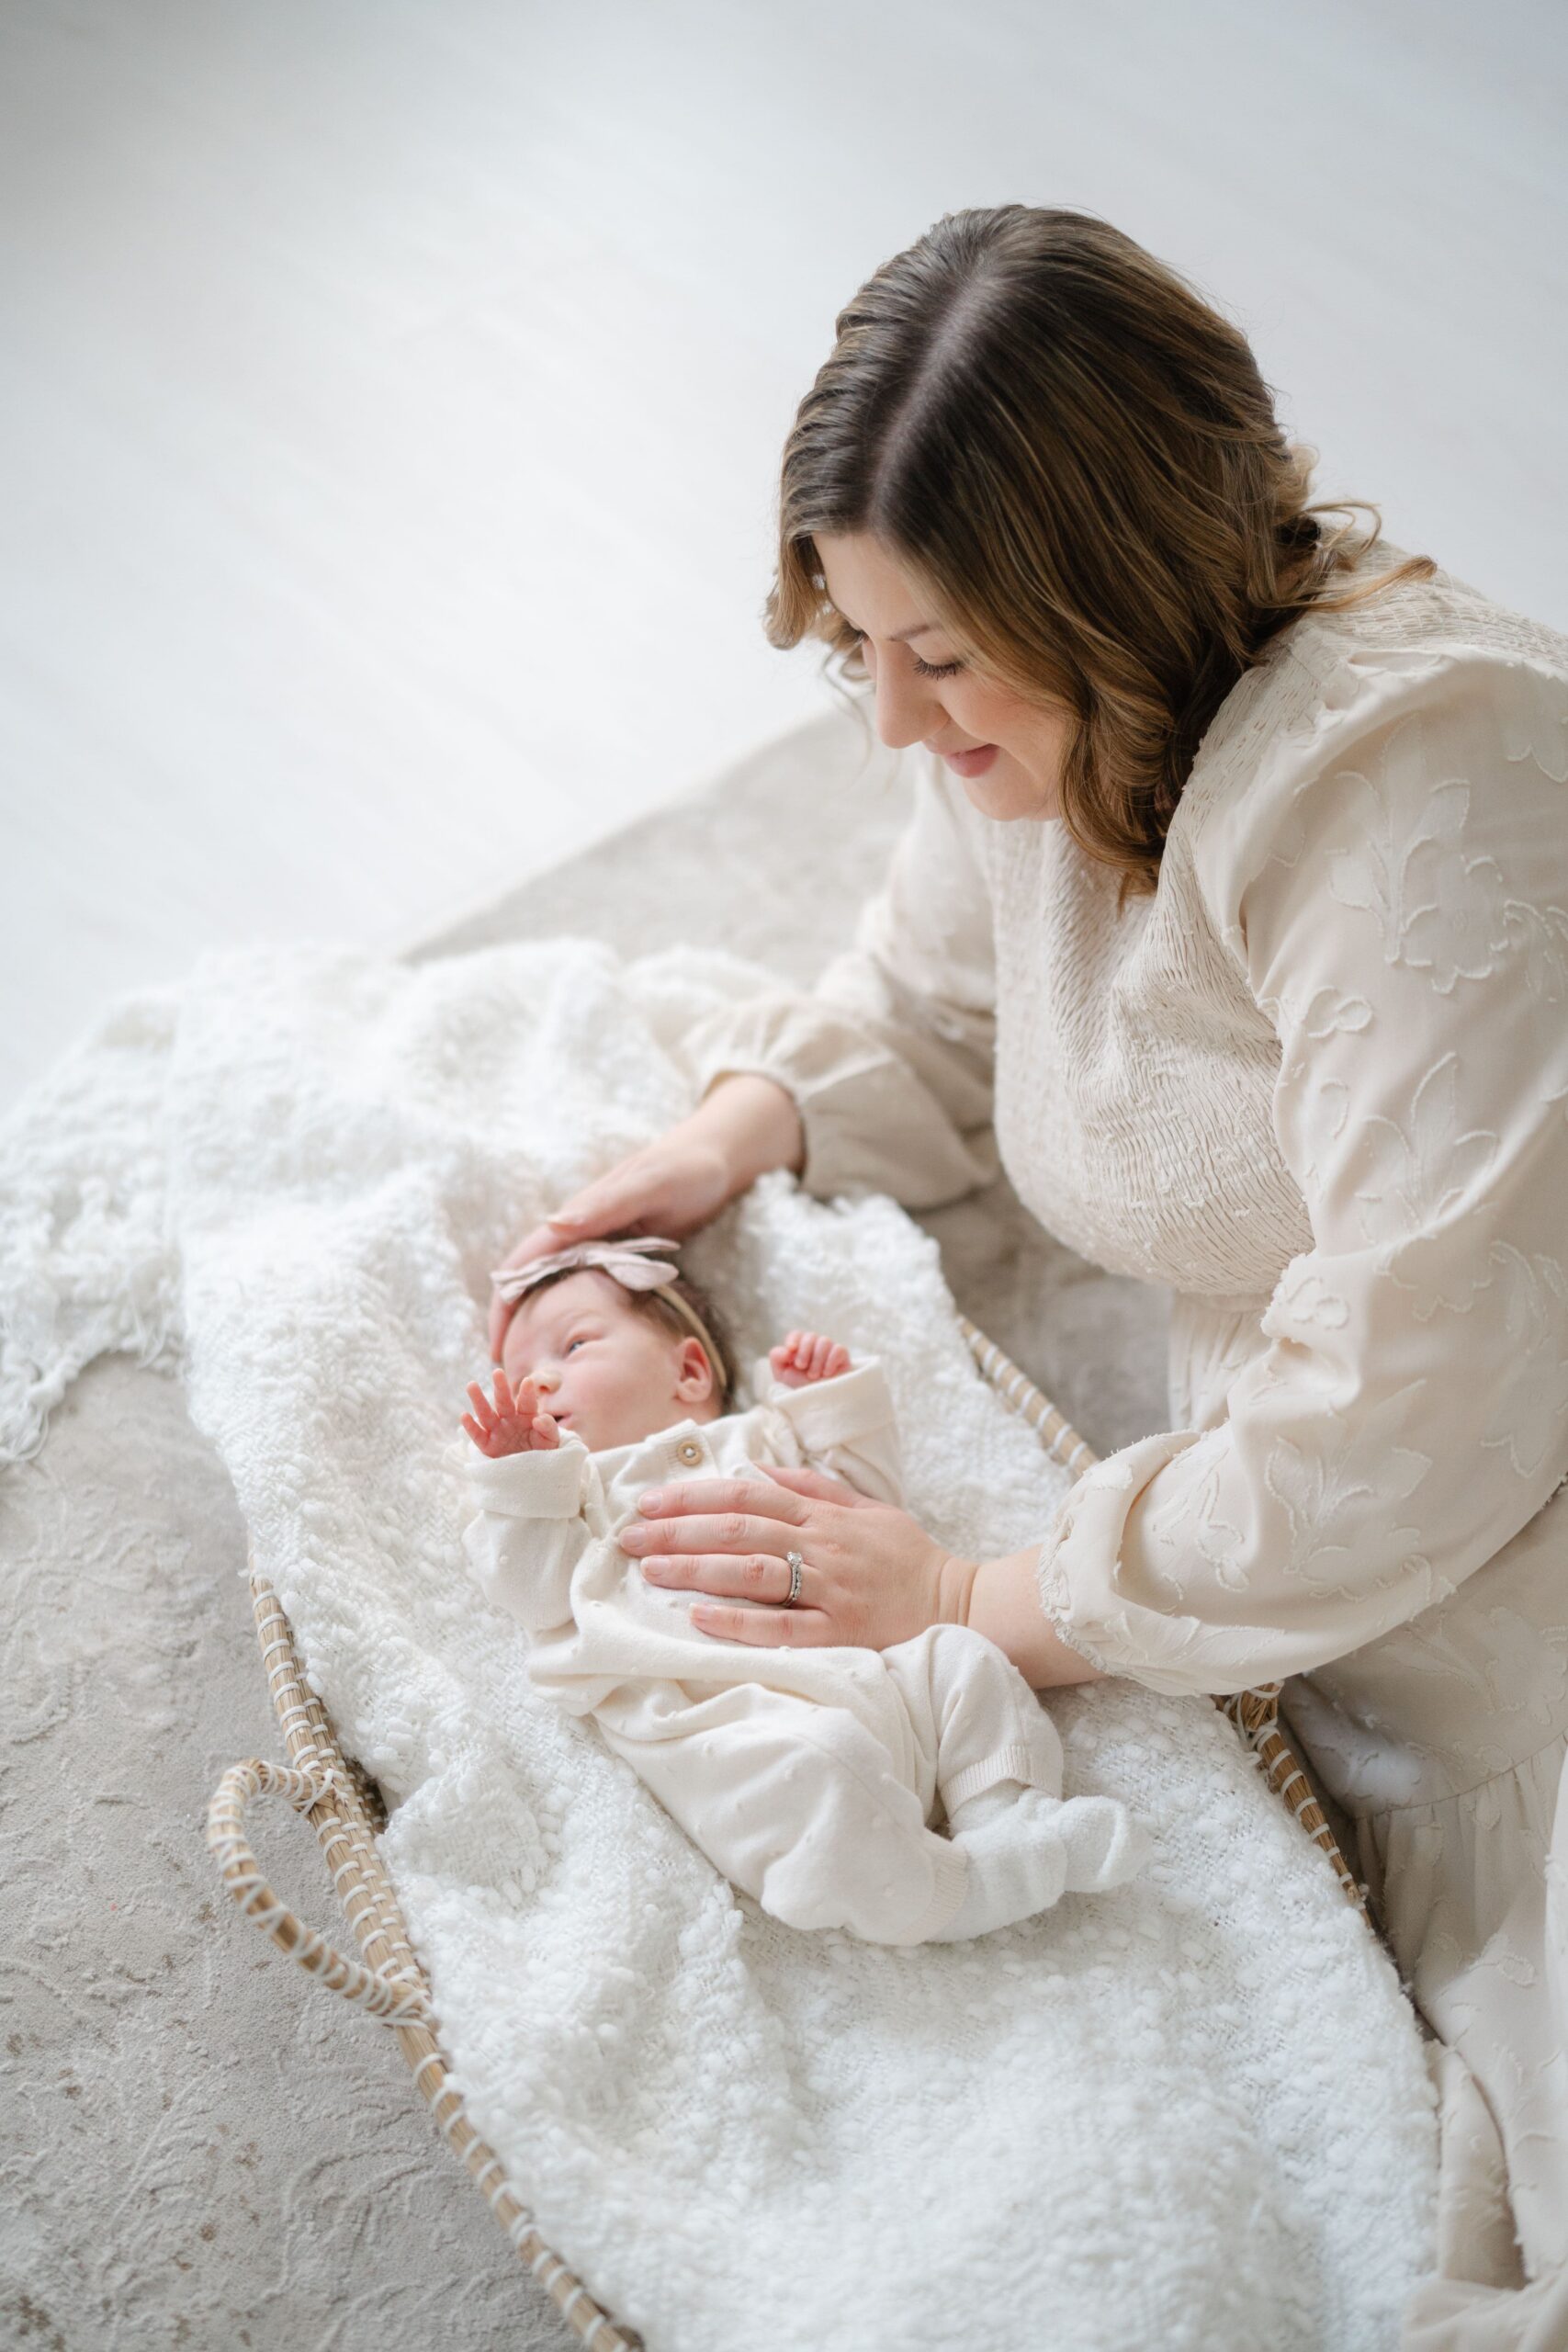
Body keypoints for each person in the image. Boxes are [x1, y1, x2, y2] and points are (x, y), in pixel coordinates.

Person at [487, 209, 1568, 2345]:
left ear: (1105, 593)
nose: (886, 723)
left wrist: (984, 1602)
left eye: (937, 656)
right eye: (852, 652)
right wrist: (740, 1125)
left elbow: (1417, 1401)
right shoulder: (1054, 719)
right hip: (1323, 1506)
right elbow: (935, 1005)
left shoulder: (1426, 813)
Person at [457, 1234, 1145, 1947]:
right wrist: (522, 1478)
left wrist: (828, 1404)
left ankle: (1009, 1818)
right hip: (727, 1721)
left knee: (962, 1657)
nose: (536, 1382)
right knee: (811, 1767)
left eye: (570, 1348)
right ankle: (942, 1894)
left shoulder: (762, 1440)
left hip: (871, 1675)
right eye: (517, 1374)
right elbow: (534, 1596)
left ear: (689, 1370)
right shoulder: (572, 1496)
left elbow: (869, 1511)